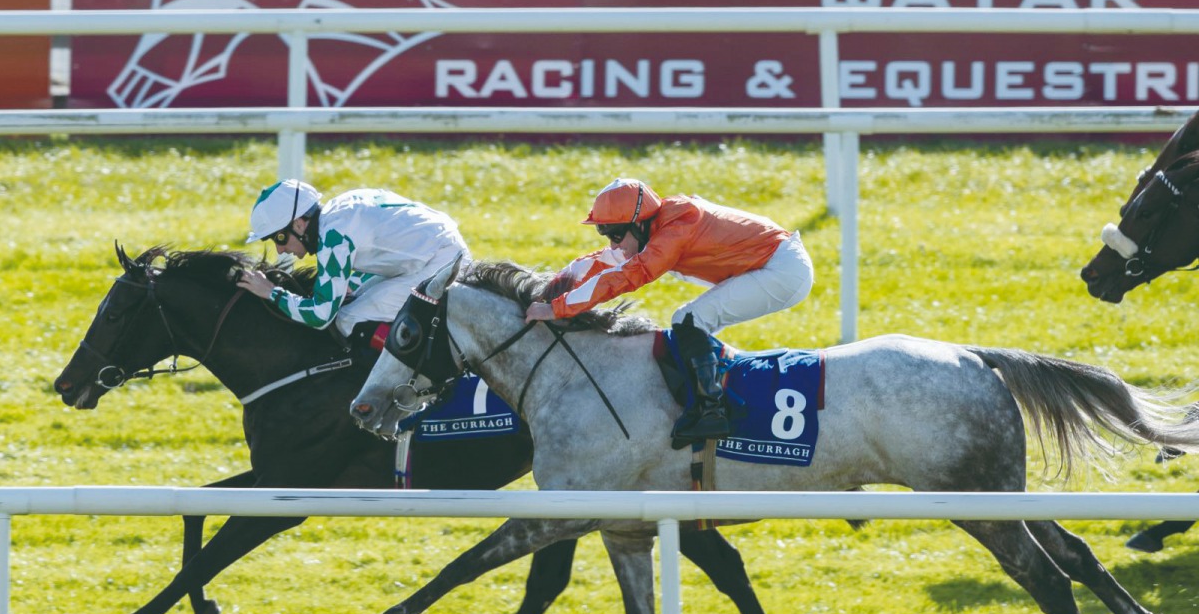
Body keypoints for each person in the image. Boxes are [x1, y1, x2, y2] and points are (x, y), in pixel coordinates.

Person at [525, 177, 814, 446]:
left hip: (783, 270)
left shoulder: (676, 227)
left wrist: (556, 309)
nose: (612, 242)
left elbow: (628, 276)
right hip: (772, 263)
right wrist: (549, 290)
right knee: (690, 322)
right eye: (605, 233)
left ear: (638, 223)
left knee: (689, 320)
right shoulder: (656, 225)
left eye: (615, 233)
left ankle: (712, 412)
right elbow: (602, 262)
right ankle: (710, 397)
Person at [236, 179, 470, 339]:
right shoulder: (339, 210)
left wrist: (271, 292)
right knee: (357, 301)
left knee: (348, 319)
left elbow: (320, 316)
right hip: (437, 252)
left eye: (279, 237)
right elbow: (385, 257)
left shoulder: (334, 236)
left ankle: (413, 383)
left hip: (440, 263)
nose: (279, 250)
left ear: (299, 223)